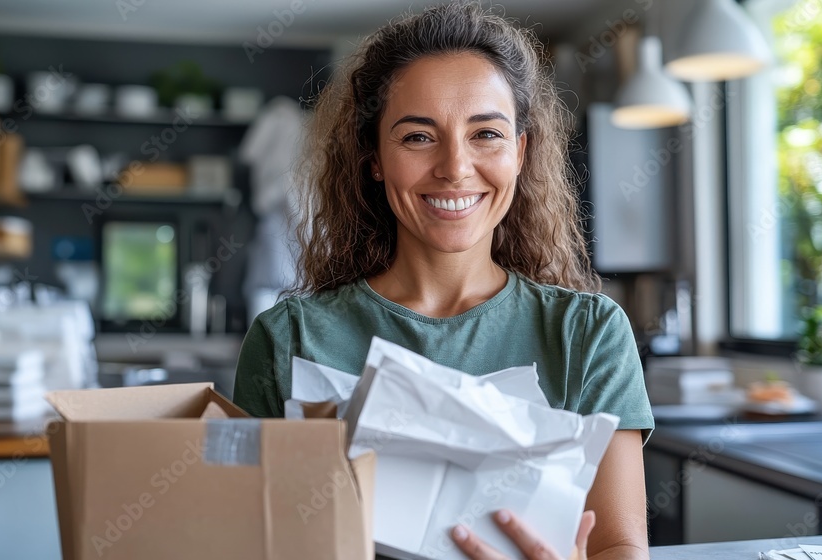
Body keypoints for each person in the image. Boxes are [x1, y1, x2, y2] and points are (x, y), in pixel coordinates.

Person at [233, 3, 654, 559]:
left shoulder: (590, 334)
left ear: (520, 152)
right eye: (417, 137)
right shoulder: (288, 339)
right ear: (374, 157)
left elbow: (618, 546)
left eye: (486, 134)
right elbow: (246, 540)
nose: (455, 167)